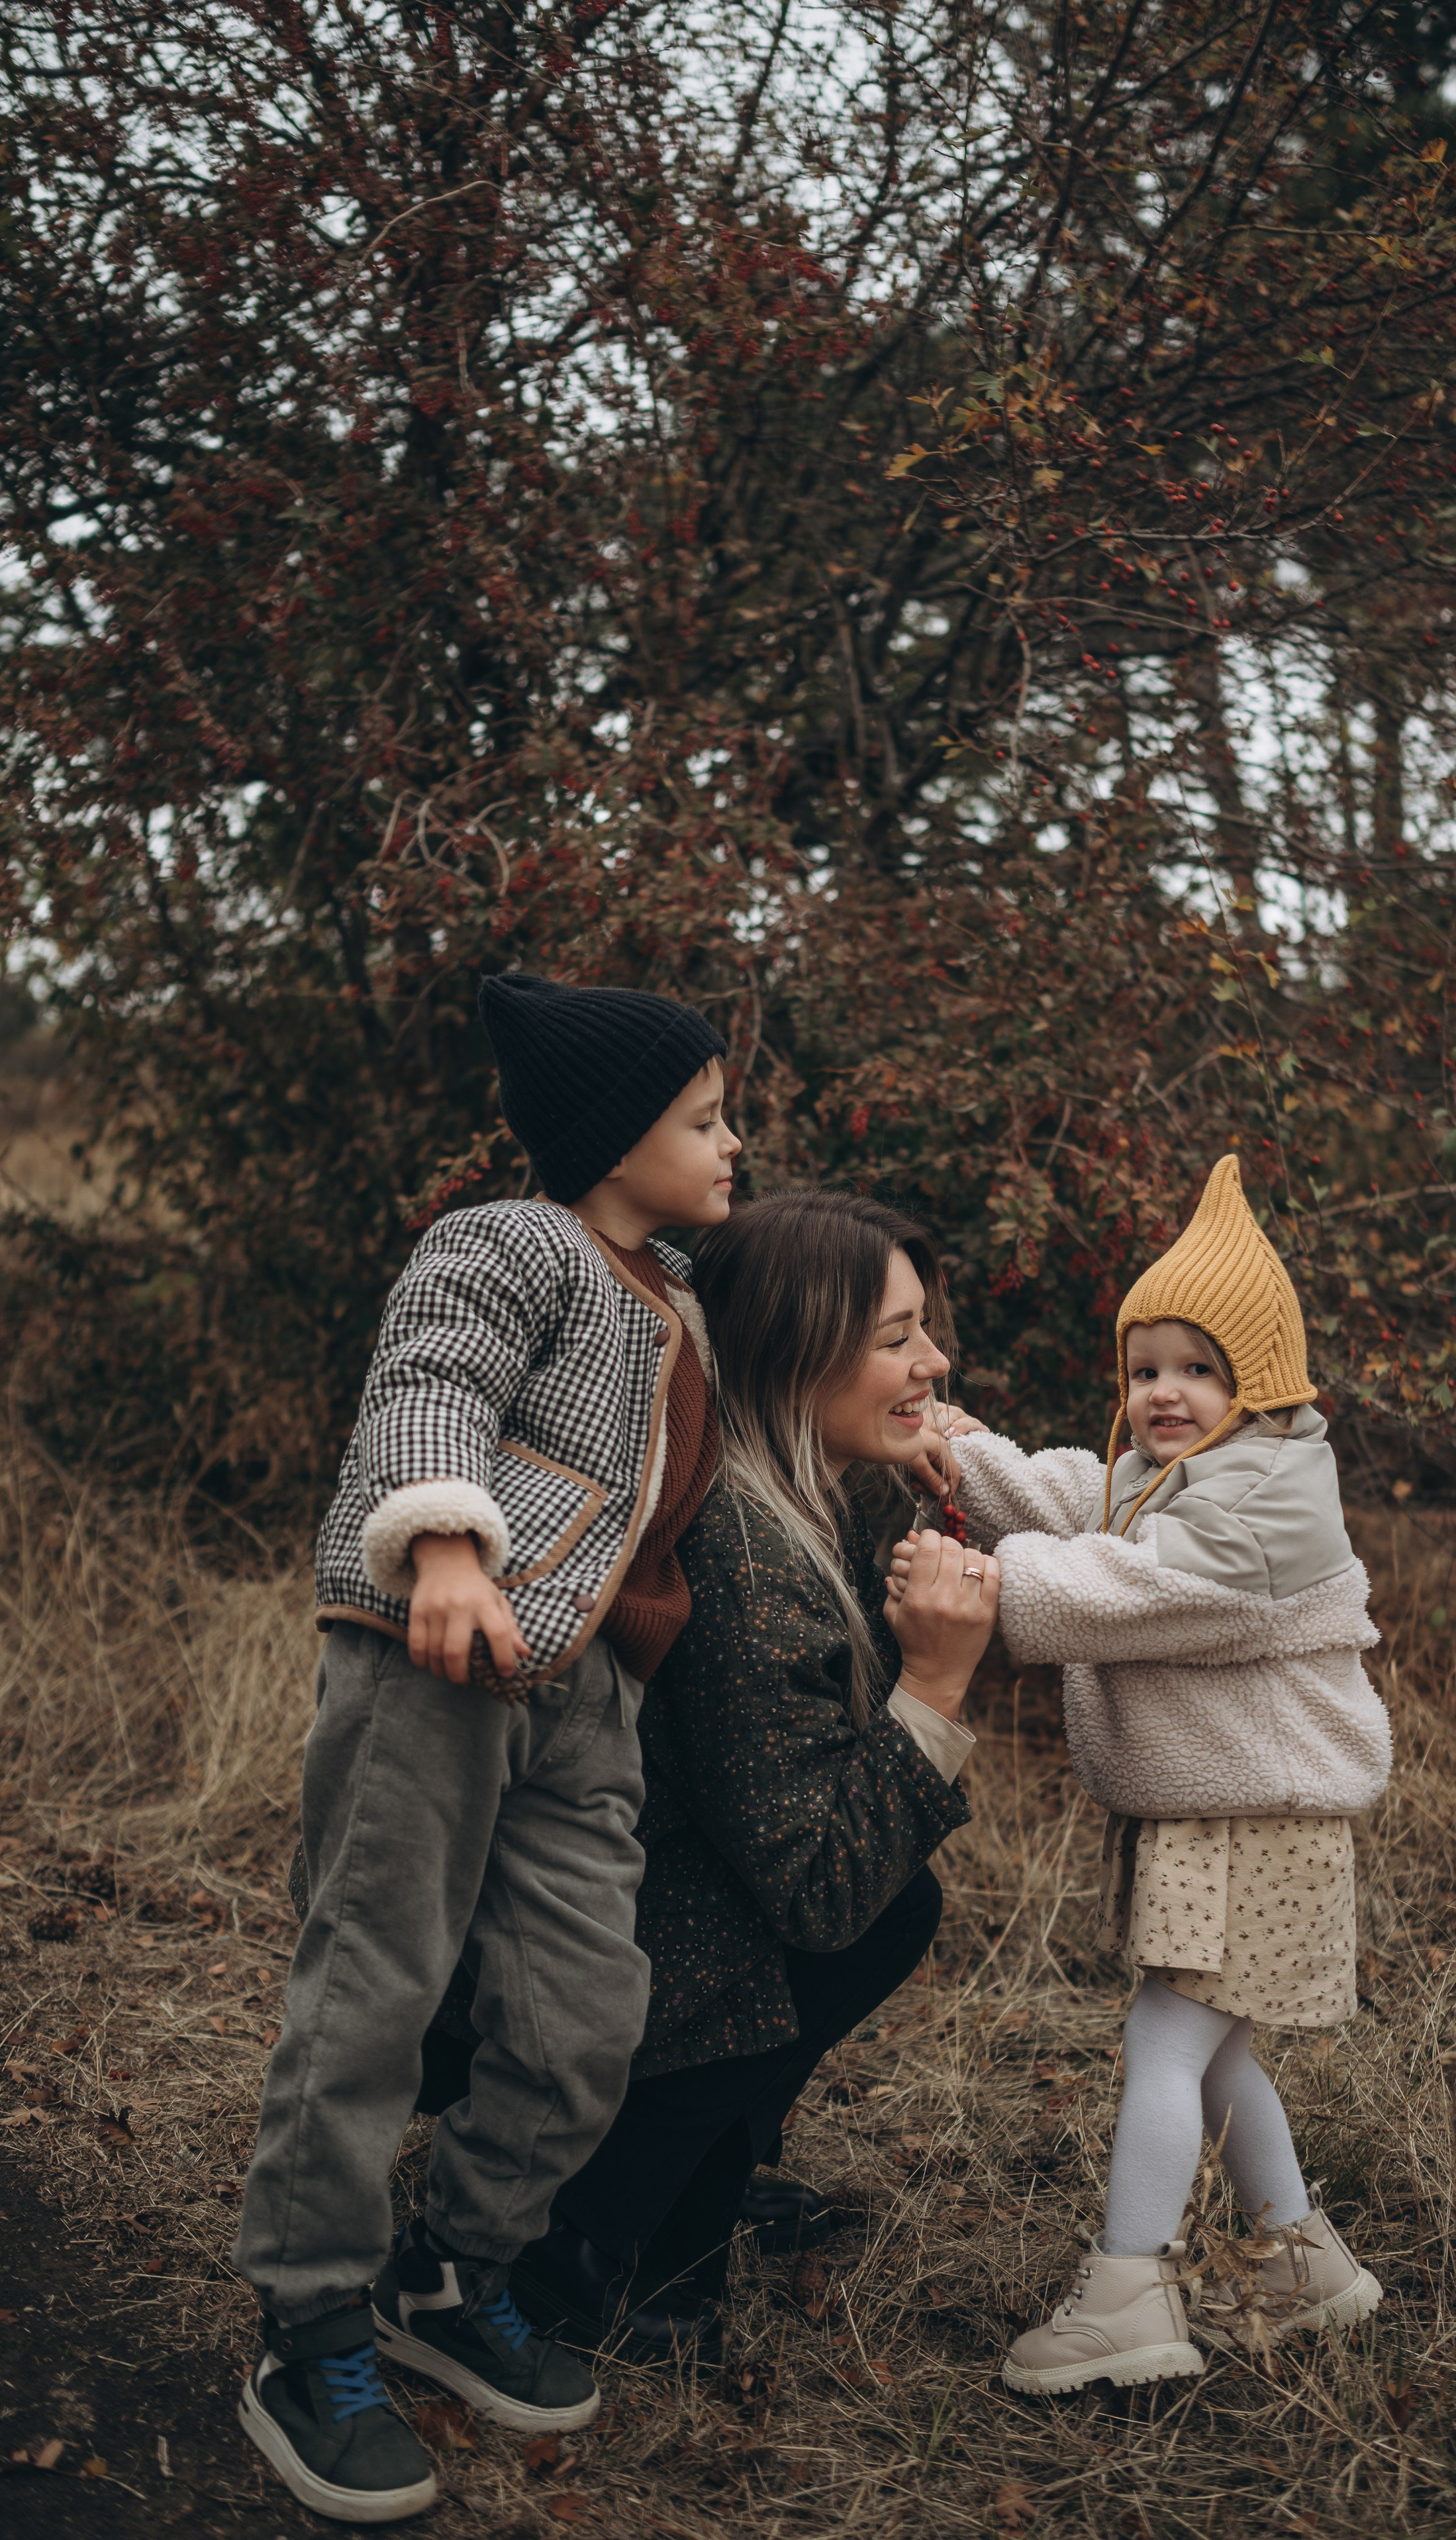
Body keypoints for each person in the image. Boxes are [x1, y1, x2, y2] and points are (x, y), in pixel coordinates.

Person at [234, 973, 739, 2524]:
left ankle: (447, 2269)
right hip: (441, 1652)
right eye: (706, 1120)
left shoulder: (675, 1293)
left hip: (583, 1695)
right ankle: (307, 2321)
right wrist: (445, 1545)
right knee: (373, 1982)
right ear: (608, 1137)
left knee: (591, 2003)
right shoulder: (505, 1242)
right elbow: (432, 1380)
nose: (735, 1145)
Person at [898, 1154, 1392, 2394]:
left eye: (1199, 1368)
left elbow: (1131, 1581)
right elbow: (1084, 1494)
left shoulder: (1268, 1512)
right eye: (1148, 1367)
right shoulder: (1196, 1471)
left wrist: (990, 1587)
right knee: (1218, 2052)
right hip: (1224, 1818)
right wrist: (969, 1457)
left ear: (1260, 1382)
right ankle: (1303, 2264)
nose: (1166, 1393)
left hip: (1258, 1822)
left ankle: (1129, 2292)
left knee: (1165, 2043)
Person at [511, 1190, 998, 2362]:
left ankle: (703, 2159)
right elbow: (818, 1889)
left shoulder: (775, 1486)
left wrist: (904, 1467)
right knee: (864, 1910)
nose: (933, 1362)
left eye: (923, 1330)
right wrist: (935, 1685)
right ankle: (586, 2241)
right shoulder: (741, 1553)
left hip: (636, 1914)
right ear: (791, 1352)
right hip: (580, 1956)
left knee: (902, 1901)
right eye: (896, 1340)